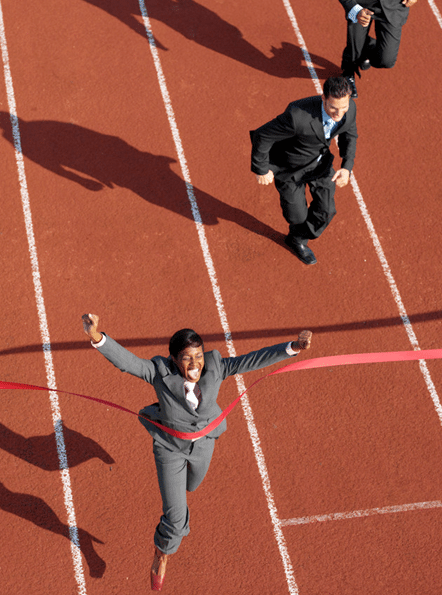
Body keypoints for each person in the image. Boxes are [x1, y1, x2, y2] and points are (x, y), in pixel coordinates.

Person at [81, 313, 312, 591]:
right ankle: (163, 551)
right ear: (174, 360)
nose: (196, 363)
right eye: (188, 358)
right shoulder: (158, 372)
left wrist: (293, 347)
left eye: (199, 355)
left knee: (193, 486)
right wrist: (97, 337)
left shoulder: (214, 365)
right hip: (170, 449)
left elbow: (252, 360)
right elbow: (127, 362)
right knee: (176, 515)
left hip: (204, 444)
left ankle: (177, 520)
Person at [250, 76, 356, 265]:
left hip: (320, 166)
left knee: (327, 211)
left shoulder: (349, 109)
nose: (339, 113)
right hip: (290, 169)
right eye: (333, 107)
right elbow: (262, 135)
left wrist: (347, 167)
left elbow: (349, 133)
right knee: (297, 217)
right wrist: (261, 169)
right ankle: (296, 232)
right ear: (323, 98)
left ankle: (297, 240)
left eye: (344, 107)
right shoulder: (297, 115)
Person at [332, 0, 423, 98]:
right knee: (355, 50)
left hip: (393, 1)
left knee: (386, 60)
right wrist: (355, 9)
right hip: (361, 4)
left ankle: (365, 44)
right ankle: (348, 73)